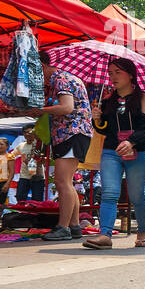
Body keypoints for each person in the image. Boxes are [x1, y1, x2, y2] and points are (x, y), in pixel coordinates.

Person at [85, 58, 145, 249]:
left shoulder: (144, 98)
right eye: (110, 73)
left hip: (138, 152)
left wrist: (131, 141)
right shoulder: (107, 101)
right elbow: (104, 131)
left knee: (136, 196)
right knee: (109, 192)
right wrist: (97, 119)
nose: (112, 77)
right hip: (111, 151)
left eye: (117, 72)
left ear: (130, 74)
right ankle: (105, 235)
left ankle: (142, 231)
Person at [31, 50, 92, 241]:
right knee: (67, 182)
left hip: (72, 133)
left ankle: (63, 227)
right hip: (73, 134)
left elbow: (67, 107)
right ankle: (73, 226)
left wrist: (40, 110)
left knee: (61, 181)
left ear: (40, 67)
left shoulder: (61, 79)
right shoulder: (61, 79)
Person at [12, 129, 46, 203]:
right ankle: (22, 214)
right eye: (25, 132)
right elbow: (11, 155)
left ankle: (35, 214)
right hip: (24, 176)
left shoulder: (40, 145)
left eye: (30, 132)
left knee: (37, 200)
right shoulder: (21, 145)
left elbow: (46, 159)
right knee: (20, 197)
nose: (27, 134)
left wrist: (37, 161)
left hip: (38, 176)